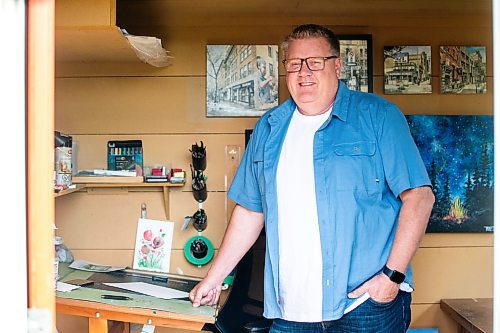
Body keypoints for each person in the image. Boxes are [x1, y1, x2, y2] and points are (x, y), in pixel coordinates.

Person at [189, 24, 435, 333]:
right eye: (294, 63)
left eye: (315, 62)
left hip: (363, 305)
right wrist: (214, 278)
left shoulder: (378, 116)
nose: (304, 72)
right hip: (290, 309)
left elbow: (419, 197)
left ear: (337, 65)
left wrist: (392, 278)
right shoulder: (269, 128)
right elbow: (251, 211)